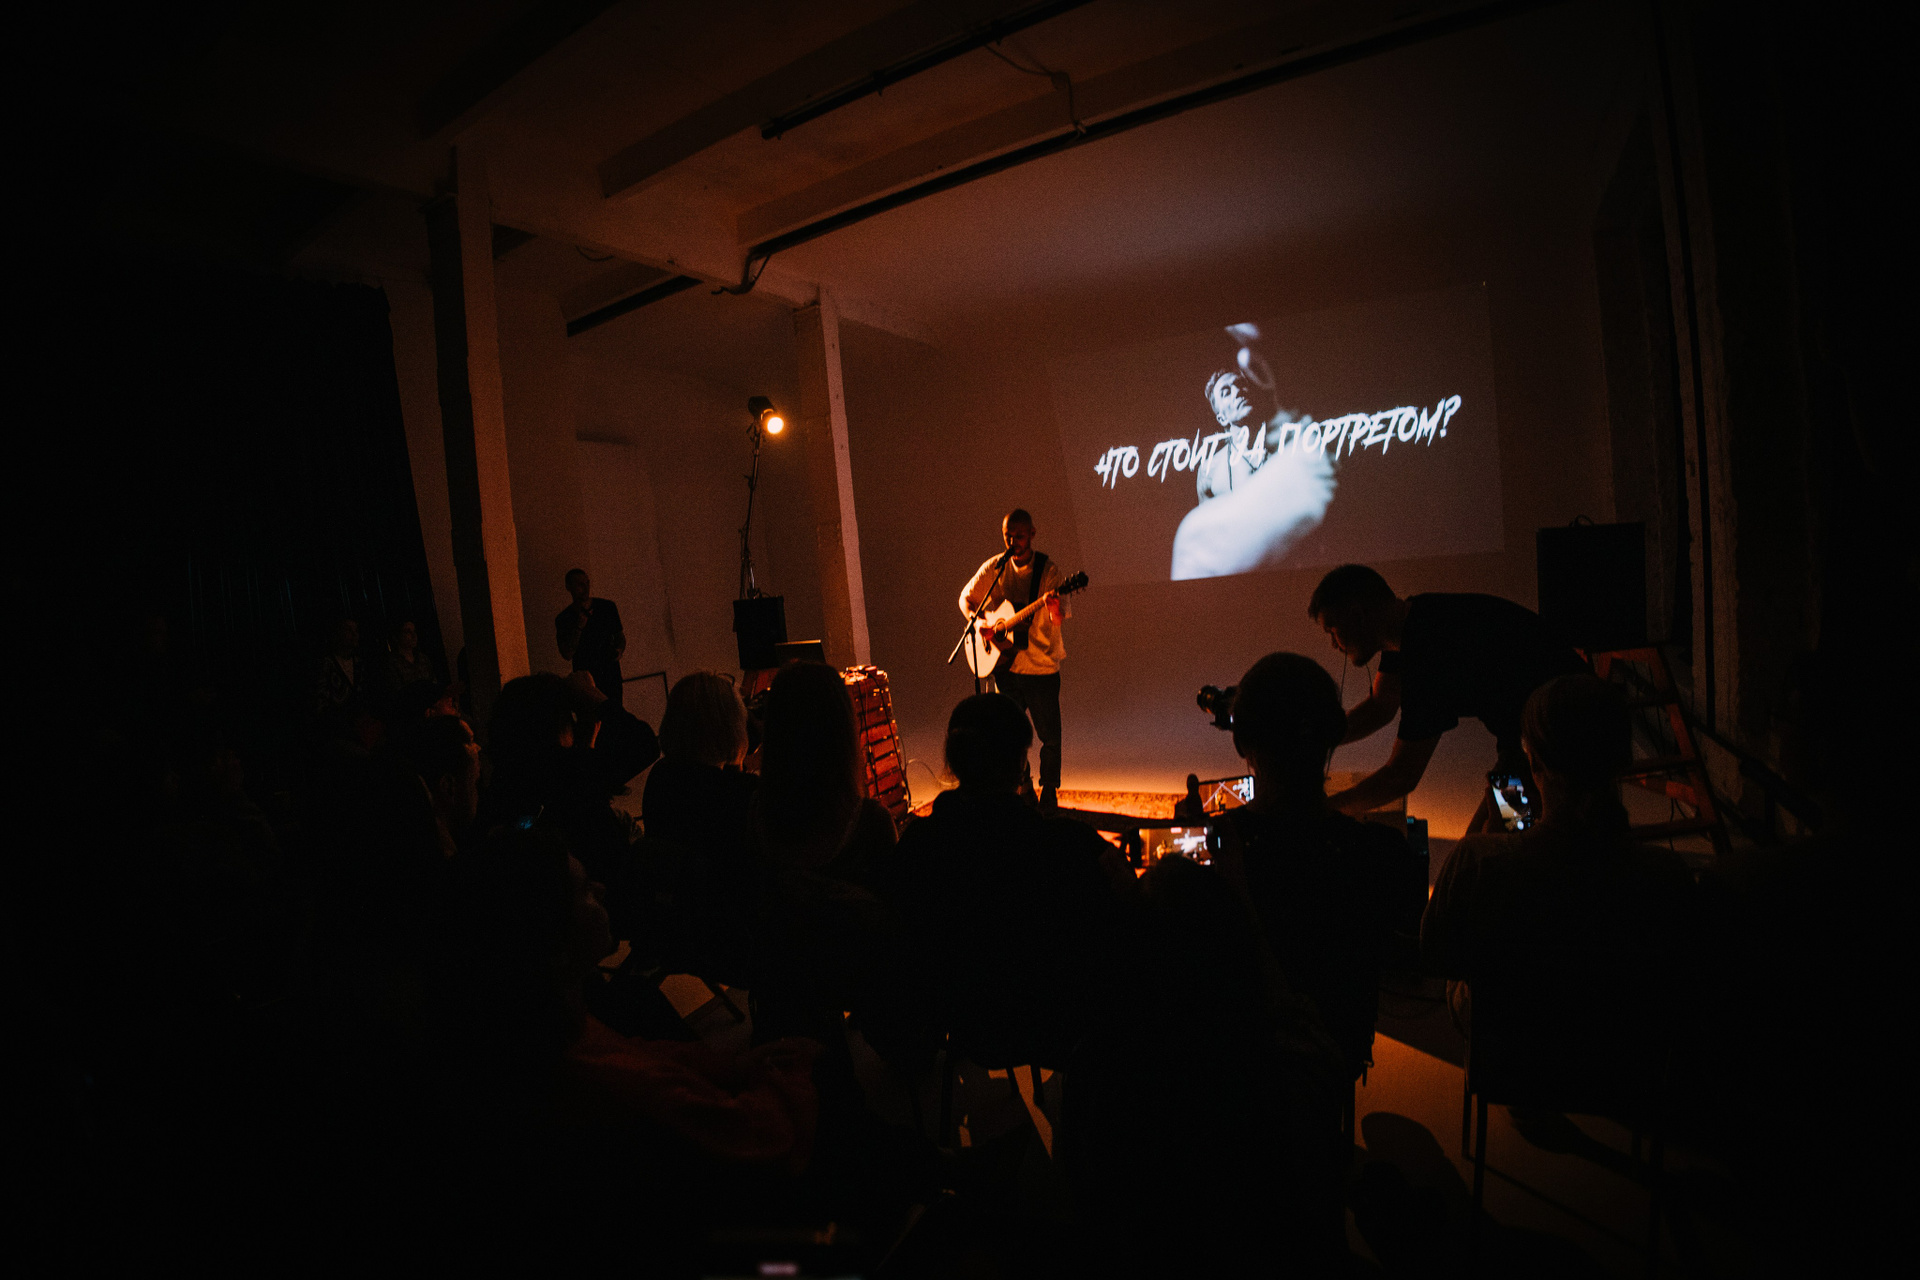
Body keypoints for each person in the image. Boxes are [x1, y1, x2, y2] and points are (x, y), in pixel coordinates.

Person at [1421, 674, 1693, 1087]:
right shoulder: (1670, 876)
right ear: (1622, 762)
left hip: (1511, 1055)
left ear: (1534, 764)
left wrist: (1486, 840)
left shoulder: (1480, 862)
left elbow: (1437, 956)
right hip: (1625, 1063)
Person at [887, 693, 1131, 1069]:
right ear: (1020, 763)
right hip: (1057, 1029)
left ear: (954, 760)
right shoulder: (1072, 845)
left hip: (962, 1026)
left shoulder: (917, 846)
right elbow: (1126, 917)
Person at [1214, 652, 1419, 1080]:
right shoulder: (1382, 853)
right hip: (1339, 1057)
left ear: (1241, 743)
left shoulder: (1221, 852)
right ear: (1333, 735)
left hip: (1236, 1063)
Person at [1308, 563, 1587, 829]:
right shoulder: (1412, 622)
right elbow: (1381, 705)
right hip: (1527, 741)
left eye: (1332, 630)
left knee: (1492, 848)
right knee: (1486, 844)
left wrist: (1318, 811)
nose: (1333, 644)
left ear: (1357, 616)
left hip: (1567, 735)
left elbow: (1401, 775)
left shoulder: (1427, 652)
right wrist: (1316, 738)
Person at [957, 508, 1071, 811]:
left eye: (1019, 536)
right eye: (1008, 536)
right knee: (1009, 735)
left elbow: (1059, 617)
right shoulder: (995, 567)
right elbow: (966, 598)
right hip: (1007, 669)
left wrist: (1053, 607)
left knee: (1050, 737)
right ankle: (1023, 786)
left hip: (1042, 667)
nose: (1013, 542)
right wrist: (979, 621)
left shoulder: (1048, 571)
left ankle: (1049, 791)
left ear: (1032, 534)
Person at [554, 568, 627, 709]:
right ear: (569, 587)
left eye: (587, 583)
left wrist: (619, 651)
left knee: (614, 713)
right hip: (586, 681)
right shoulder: (564, 619)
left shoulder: (607, 608)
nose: (585, 588)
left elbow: (620, 636)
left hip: (610, 675)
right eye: (580, 584)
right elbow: (567, 653)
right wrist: (579, 627)